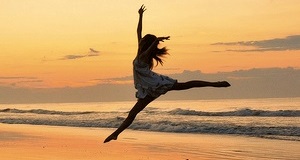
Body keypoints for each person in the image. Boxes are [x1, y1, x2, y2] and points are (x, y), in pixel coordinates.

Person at [103, 5, 230, 143]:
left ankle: (215, 84)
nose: (141, 41)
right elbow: (138, 31)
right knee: (133, 113)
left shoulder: (144, 56)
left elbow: (147, 47)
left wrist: (156, 40)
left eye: (144, 41)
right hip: (148, 89)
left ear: (145, 44)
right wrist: (140, 16)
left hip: (155, 84)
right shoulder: (140, 52)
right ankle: (115, 134)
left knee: (186, 85)